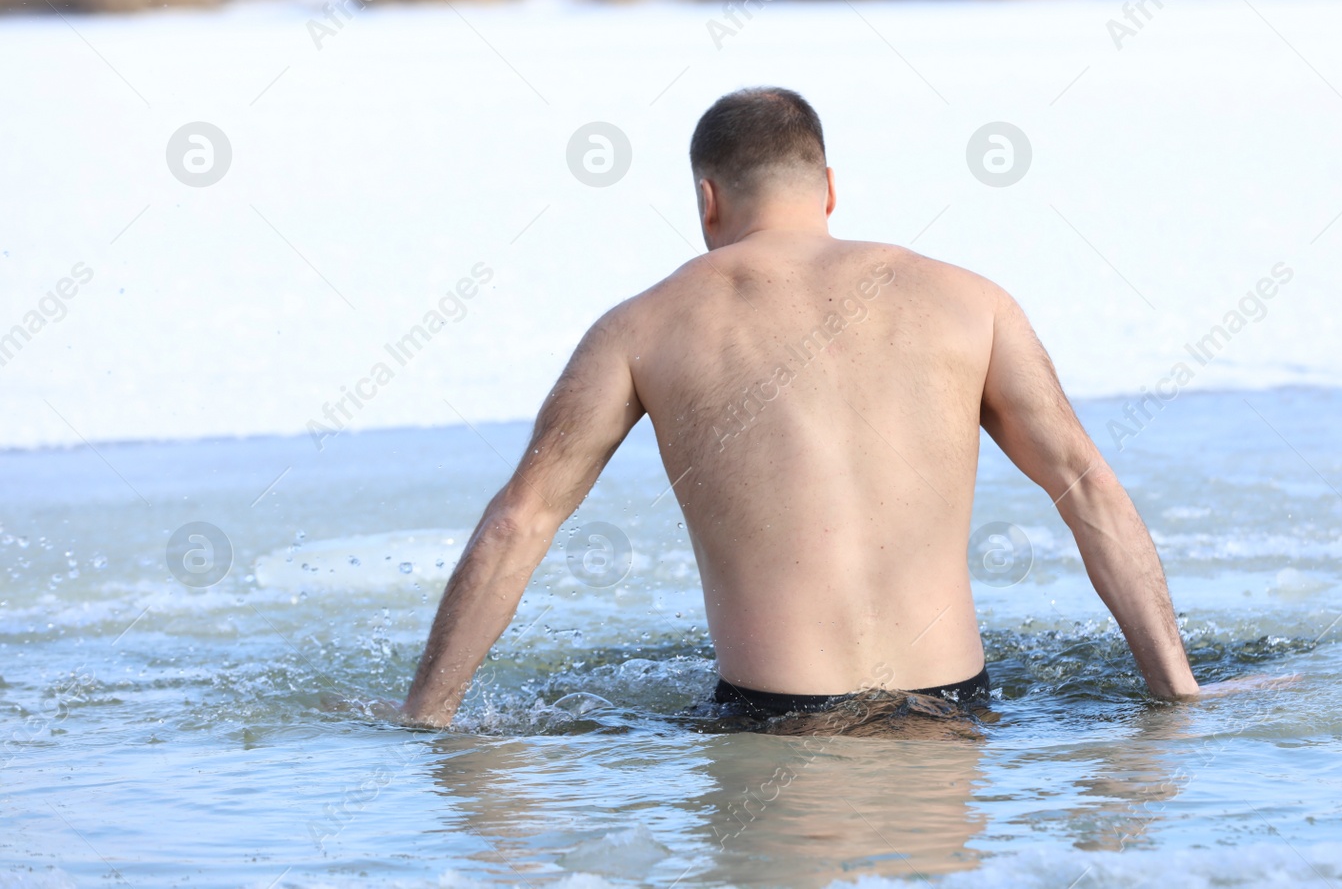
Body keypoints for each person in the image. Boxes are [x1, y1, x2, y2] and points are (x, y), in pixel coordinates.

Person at [398, 87, 1198, 728]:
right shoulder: (971, 302)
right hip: (952, 712)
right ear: (830, 189)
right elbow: (1088, 489)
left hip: (774, 725)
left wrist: (423, 714)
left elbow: (519, 522)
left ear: (707, 200)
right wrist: (1180, 693)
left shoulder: (642, 327)